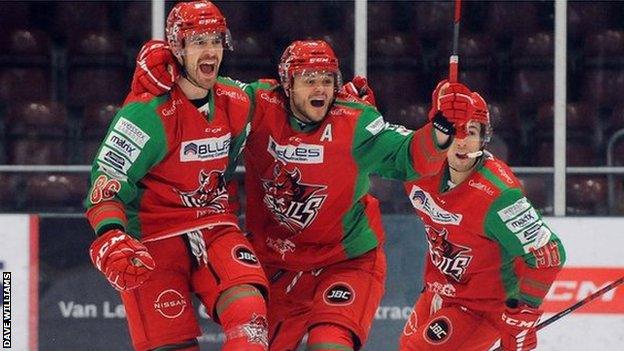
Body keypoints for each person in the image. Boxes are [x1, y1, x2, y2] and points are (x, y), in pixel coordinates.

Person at [130, 35, 476, 350]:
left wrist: (442, 129)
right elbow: (204, 91)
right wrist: (164, 72)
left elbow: (409, 157)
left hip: (345, 261)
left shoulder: (354, 120)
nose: (320, 89)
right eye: (309, 80)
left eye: (327, 80)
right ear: (287, 84)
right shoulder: (257, 103)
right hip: (276, 264)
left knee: (330, 343)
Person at [85, 2, 269, 350]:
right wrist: (111, 234)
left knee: (250, 313)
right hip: (153, 237)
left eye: (215, 40)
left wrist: (342, 105)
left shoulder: (236, 100)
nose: (211, 50)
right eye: (198, 41)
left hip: (215, 225)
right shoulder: (146, 112)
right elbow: (108, 176)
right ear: (178, 49)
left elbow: (288, 98)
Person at [398, 84, 566, 351]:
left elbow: (549, 254)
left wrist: (523, 315)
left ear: (484, 137)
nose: (462, 141)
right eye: (455, 129)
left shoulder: (498, 194)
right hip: (438, 291)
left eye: (472, 132)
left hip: (482, 307)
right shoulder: (417, 165)